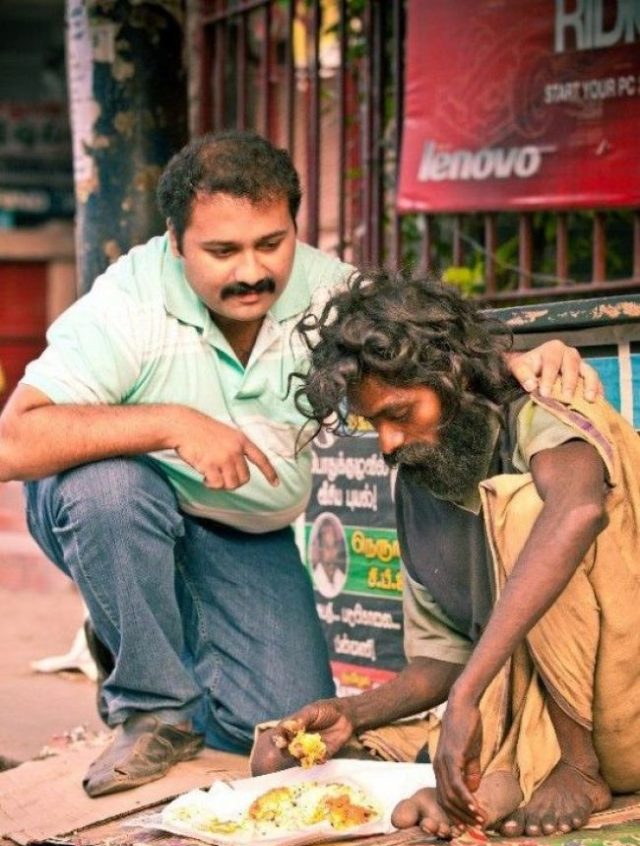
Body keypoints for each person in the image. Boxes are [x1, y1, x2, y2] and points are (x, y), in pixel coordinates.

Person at [0, 132, 601, 798]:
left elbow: (424, 347)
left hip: (242, 530)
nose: (251, 271)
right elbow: (14, 442)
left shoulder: (326, 289)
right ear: (175, 242)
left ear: (294, 227)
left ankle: (146, 631)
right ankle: (151, 703)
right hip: (128, 506)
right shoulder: (128, 303)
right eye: (222, 251)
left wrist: (515, 366)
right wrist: (175, 424)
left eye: (271, 243)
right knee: (109, 488)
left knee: (276, 731)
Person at [251, 269, 640, 839]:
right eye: (374, 422)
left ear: (453, 379)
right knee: (280, 762)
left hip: (622, 704)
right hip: (514, 705)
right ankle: (496, 778)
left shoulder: (539, 410)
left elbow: (576, 511)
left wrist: (467, 696)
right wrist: (351, 714)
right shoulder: (420, 482)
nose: (386, 442)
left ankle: (576, 767)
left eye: (400, 415)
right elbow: (441, 661)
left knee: (529, 511)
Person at [312, 514, 347, 598]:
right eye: (327, 546)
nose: (331, 553)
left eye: (334, 545)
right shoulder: (314, 579)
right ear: (320, 548)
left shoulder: (341, 577)